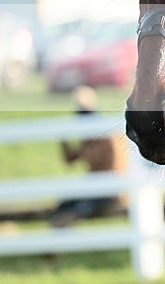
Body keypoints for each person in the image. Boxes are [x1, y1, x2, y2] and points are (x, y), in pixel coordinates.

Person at [50, 86, 128, 228]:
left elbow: (87, 158)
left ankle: (56, 245)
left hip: (109, 193)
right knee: (64, 205)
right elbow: (70, 159)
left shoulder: (103, 136)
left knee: (73, 210)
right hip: (96, 190)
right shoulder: (95, 135)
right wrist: (63, 139)